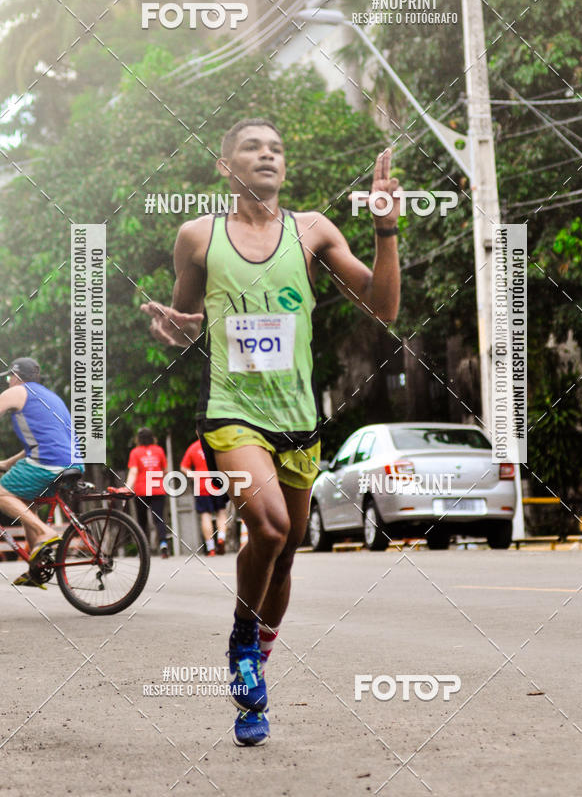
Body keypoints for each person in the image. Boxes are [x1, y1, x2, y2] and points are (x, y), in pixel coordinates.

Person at [142, 118, 400, 746]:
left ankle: (253, 675)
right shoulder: (197, 236)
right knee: (271, 525)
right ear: (226, 167)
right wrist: (174, 326)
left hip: (298, 419)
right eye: (253, 148)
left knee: (283, 560)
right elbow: (190, 320)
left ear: (284, 168)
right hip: (232, 412)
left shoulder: (313, 231)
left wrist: (386, 231)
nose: (267, 156)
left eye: (276, 149)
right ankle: (240, 636)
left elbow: (384, 307)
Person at [0, 357, 84, 588]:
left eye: (8, 377)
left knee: (1, 494)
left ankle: (45, 533)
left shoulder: (17, 391)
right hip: (73, 462)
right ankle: (36, 566)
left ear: (16, 376)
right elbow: (47, 440)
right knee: (27, 504)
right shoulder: (50, 397)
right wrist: (7, 463)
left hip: (49, 462)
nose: (8, 382)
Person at [125, 427, 169, 558]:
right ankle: (163, 544)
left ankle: (143, 549)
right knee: (159, 519)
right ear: (152, 437)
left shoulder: (135, 452)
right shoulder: (159, 450)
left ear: (138, 439)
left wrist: (127, 487)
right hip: (157, 489)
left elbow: (133, 472)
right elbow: (165, 470)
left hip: (141, 490)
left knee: (141, 521)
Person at [180, 438, 228, 556]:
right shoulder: (216, 442)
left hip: (201, 486)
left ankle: (211, 547)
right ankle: (221, 537)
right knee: (221, 513)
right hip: (218, 483)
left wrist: (195, 476)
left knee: (205, 515)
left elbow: (183, 467)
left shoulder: (193, 447)